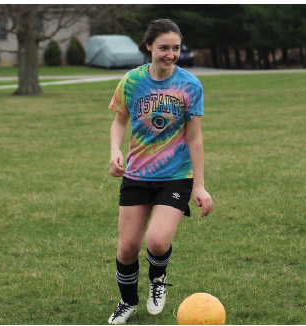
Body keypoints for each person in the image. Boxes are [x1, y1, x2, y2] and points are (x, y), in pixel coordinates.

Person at [107, 18, 213, 324]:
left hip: (176, 176)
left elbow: (195, 138)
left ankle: (158, 279)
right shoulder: (131, 81)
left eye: (176, 48)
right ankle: (127, 302)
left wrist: (200, 186)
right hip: (137, 175)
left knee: (156, 241)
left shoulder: (190, 84)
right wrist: (115, 150)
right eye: (164, 47)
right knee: (127, 248)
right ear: (149, 46)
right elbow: (119, 120)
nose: (170, 54)